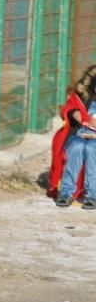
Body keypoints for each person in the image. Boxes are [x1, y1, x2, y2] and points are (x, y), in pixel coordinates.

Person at [50, 65, 96, 209]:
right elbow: (68, 109)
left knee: (91, 149)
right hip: (79, 134)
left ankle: (93, 194)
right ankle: (66, 192)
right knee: (76, 146)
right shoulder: (83, 98)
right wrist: (74, 114)